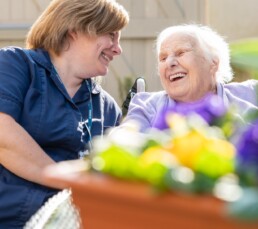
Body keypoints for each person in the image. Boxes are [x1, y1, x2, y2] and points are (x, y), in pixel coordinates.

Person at [0, 0, 129, 227]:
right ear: (75, 30)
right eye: (111, 34)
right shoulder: (14, 64)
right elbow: (3, 134)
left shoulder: (108, 108)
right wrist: (67, 182)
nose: (118, 49)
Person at [118, 24, 258, 132]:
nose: (169, 63)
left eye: (180, 53)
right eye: (163, 58)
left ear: (213, 63)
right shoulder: (146, 105)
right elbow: (125, 139)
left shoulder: (251, 93)